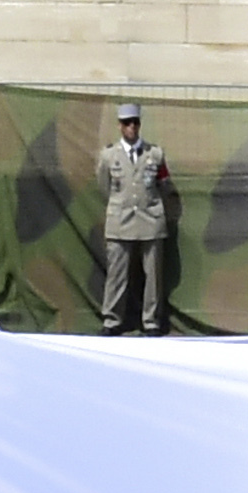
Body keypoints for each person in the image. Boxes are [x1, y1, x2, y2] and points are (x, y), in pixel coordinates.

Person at [96, 100, 176, 336]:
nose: (132, 127)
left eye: (135, 122)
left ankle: (150, 321)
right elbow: (104, 185)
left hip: (150, 220)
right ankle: (112, 320)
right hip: (120, 221)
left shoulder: (155, 154)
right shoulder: (109, 156)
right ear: (120, 126)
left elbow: (164, 184)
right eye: (127, 123)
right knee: (117, 275)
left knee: (153, 277)